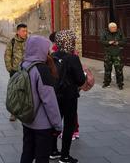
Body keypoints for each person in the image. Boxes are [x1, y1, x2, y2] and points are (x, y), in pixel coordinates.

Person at [19, 36, 62, 163]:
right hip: (42, 125)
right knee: (42, 157)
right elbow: (49, 101)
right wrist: (57, 125)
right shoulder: (41, 69)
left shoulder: (23, 65)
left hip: (27, 120)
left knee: (27, 152)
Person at [50, 30, 86, 163]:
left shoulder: (52, 56)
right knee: (69, 124)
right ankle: (65, 156)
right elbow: (81, 80)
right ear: (69, 42)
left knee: (55, 122)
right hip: (69, 96)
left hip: (54, 95)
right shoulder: (73, 58)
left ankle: (53, 151)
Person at [4, 23, 28, 121]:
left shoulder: (30, 41)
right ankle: (13, 113)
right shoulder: (12, 42)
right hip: (15, 71)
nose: (25, 33)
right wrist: (10, 68)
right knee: (14, 92)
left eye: (26, 31)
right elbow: (7, 55)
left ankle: (25, 111)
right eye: (23, 31)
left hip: (27, 71)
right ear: (18, 32)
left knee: (27, 92)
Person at [100, 22, 126, 89]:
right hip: (108, 54)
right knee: (107, 69)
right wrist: (109, 42)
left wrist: (118, 43)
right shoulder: (105, 32)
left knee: (119, 70)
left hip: (117, 54)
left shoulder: (120, 32)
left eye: (115, 28)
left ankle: (120, 84)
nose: (114, 29)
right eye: (113, 28)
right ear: (109, 28)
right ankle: (106, 83)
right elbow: (101, 41)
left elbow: (124, 41)